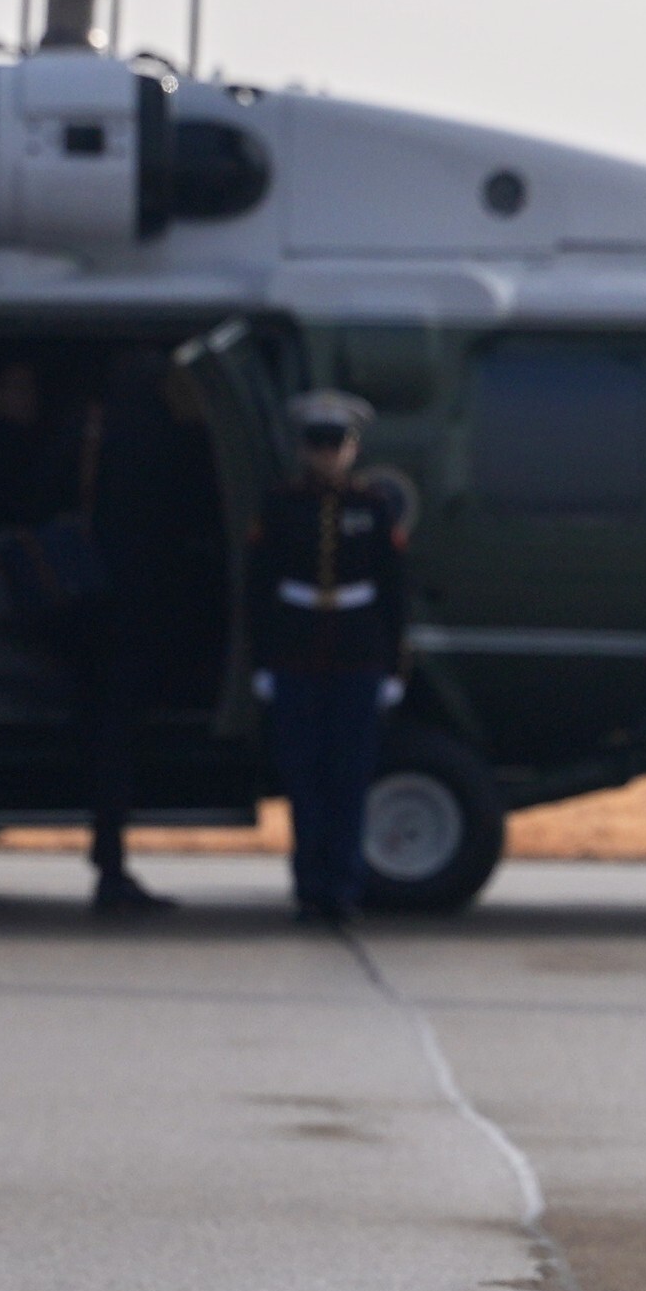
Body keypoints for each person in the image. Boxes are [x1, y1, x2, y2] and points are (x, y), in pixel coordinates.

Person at [0, 350, 176, 914]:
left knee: (104, 733)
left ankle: (110, 858)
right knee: (114, 735)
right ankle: (111, 861)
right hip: (117, 606)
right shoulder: (146, 431)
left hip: (86, 601)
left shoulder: (75, 433)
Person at [248, 390, 411, 924]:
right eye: (317, 444)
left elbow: (394, 592)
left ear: (352, 449)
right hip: (296, 648)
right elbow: (259, 589)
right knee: (303, 775)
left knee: (350, 773)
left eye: (335, 444)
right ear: (303, 450)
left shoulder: (373, 507)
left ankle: (342, 886)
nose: (326, 455)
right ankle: (308, 884)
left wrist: (392, 666)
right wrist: (262, 664)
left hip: (357, 650)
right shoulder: (281, 505)